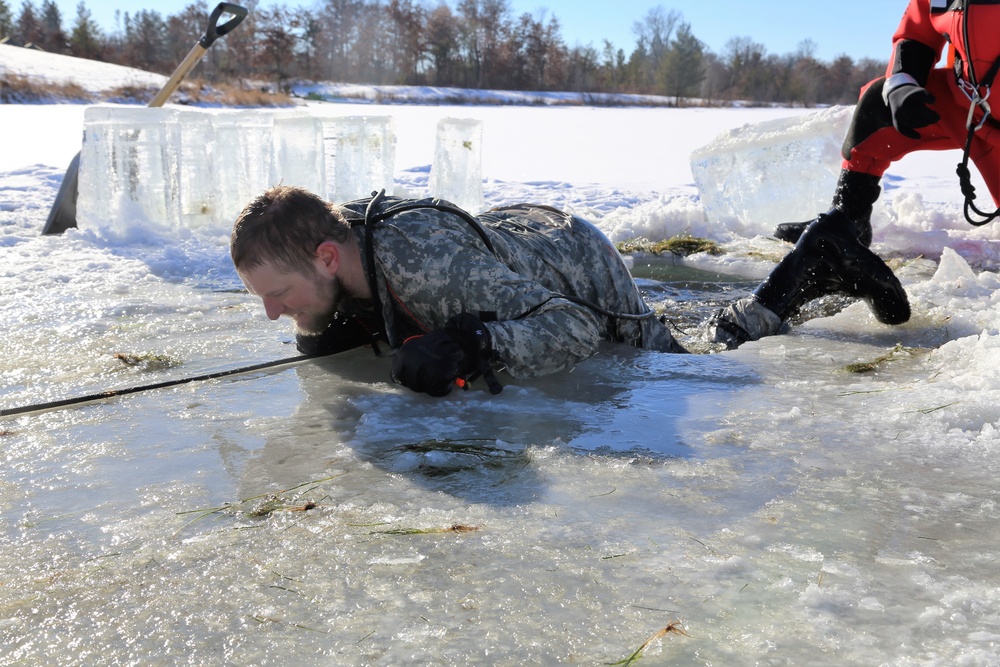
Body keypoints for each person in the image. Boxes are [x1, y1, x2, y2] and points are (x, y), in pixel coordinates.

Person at [710, 0, 1000, 349]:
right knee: (876, 105)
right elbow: (920, 26)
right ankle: (845, 233)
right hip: (970, 106)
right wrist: (904, 81)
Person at [230, 185, 687, 397]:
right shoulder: (328, 237)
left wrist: (474, 344)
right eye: (262, 298)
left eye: (280, 293)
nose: (272, 313)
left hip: (575, 259)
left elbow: (575, 326)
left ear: (327, 258)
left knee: (680, 366)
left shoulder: (429, 270)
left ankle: (757, 312)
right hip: (503, 233)